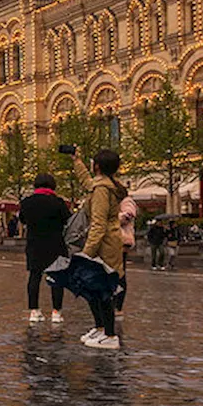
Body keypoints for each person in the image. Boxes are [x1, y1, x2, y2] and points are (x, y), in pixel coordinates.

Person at [75, 150, 127, 350]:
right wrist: (77, 161)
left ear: (97, 166)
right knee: (94, 287)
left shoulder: (102, 190)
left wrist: (86, 254)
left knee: (101, 288)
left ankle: (110, 334)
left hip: (104, 244)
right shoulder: (105, 185)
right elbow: (88, 184)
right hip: (109, 241)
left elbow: (98, 223)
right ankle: (101, 328)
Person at [19, 174, 70, 324]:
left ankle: (34, 311)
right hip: (55, 245)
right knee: (56, 279)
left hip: (34, 245)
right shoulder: (58, 202)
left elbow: (22, 219)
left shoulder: (27, 203)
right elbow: (68, 219)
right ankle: (56, 312)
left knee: (34, 277)